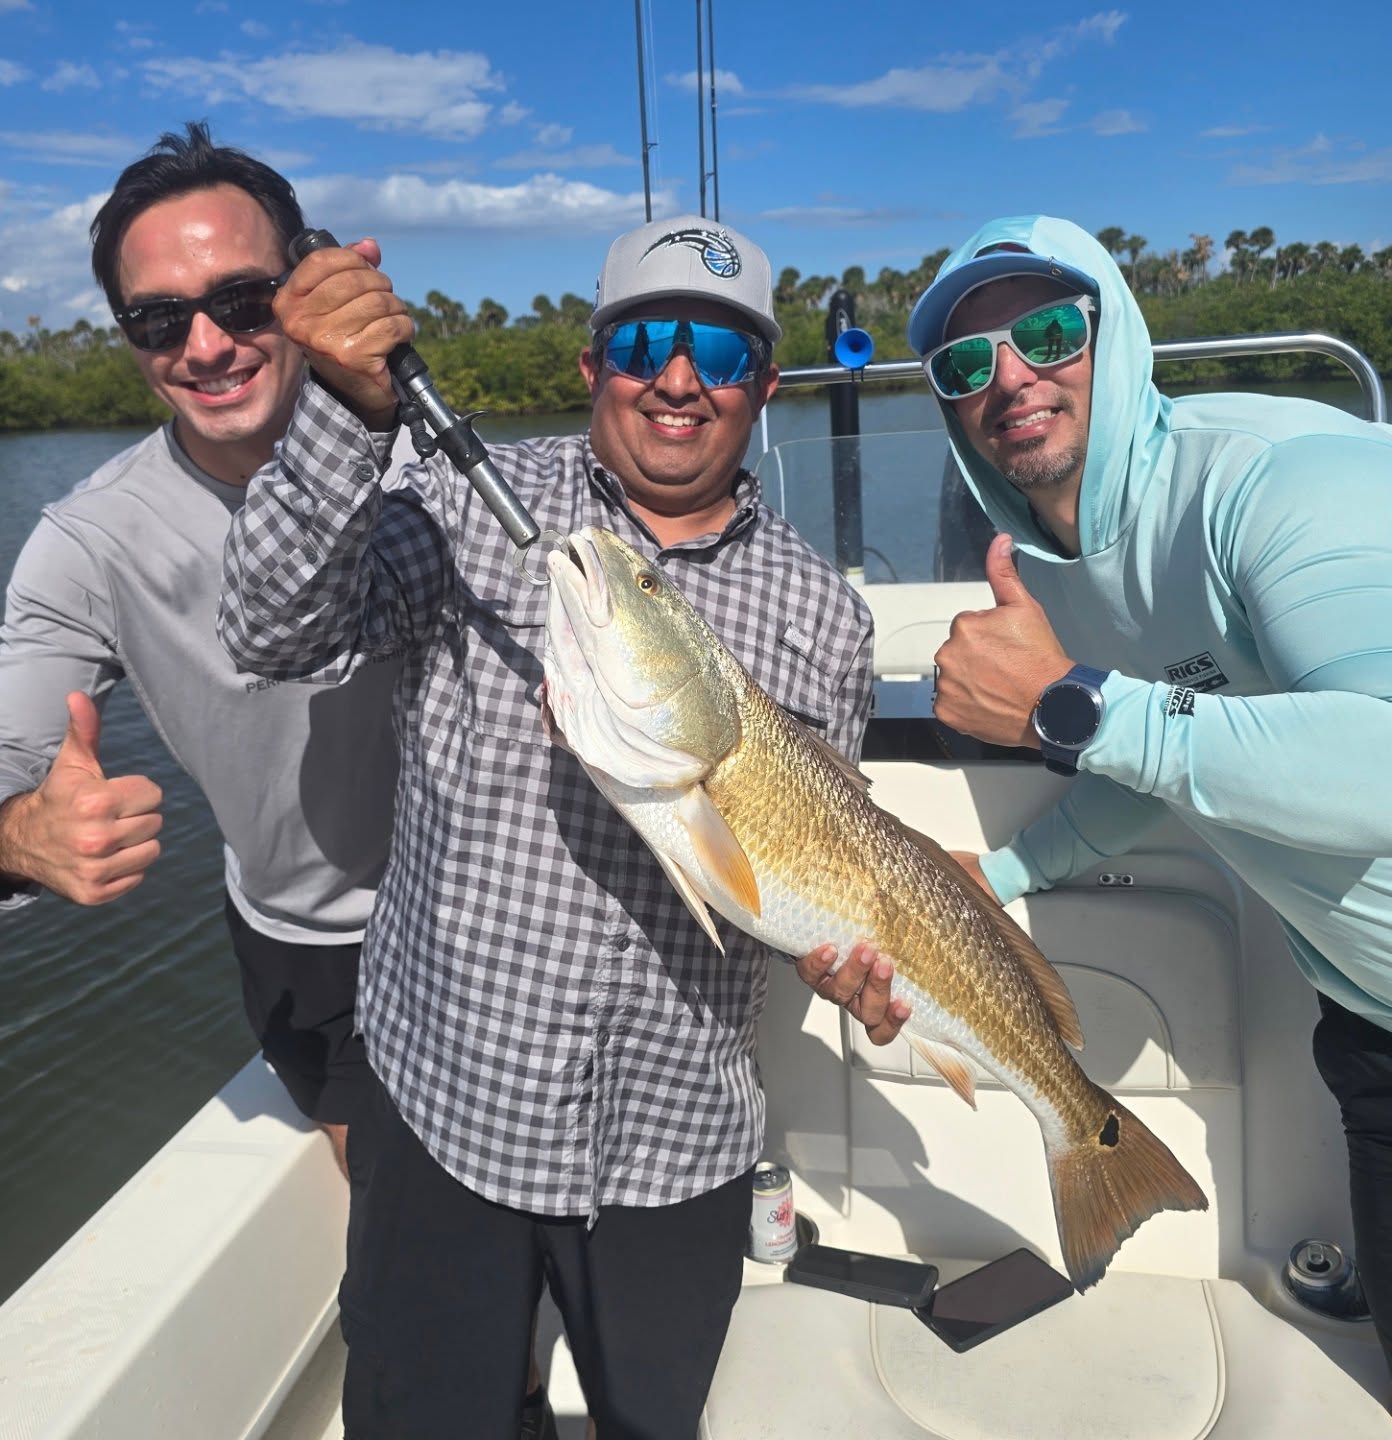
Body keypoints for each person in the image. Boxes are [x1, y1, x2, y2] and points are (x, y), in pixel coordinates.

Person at [217, 214, 875, 1438]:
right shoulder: (470, 504)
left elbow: (796, 869)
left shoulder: (826, 615)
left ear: (765, 388)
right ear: (592, 365)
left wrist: (850, 966)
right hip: (453, 1106)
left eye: (721, 355)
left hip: (678, 1138)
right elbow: (270, 632)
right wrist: (346, 415)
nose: (679, 379)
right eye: (647, 341)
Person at [0, 122, 556, 1436]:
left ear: (309, 283)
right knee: (433, 1282)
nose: (207, 346)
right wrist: (11, 830)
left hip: (493, 922)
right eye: (160, 322)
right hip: (311, 956)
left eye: (239, 300)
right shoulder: (90, 539)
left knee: (492, 1267)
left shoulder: (441, 467)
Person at [896, 213, 1392, 1372]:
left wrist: (1070, 702)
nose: (1011, 377)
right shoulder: (1054, 570)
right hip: (1368, 1026)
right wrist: (1003, 874)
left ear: (1114, 333)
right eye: (967, 365)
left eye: (1049, 331)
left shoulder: (1276, 482)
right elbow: (1168, 754)